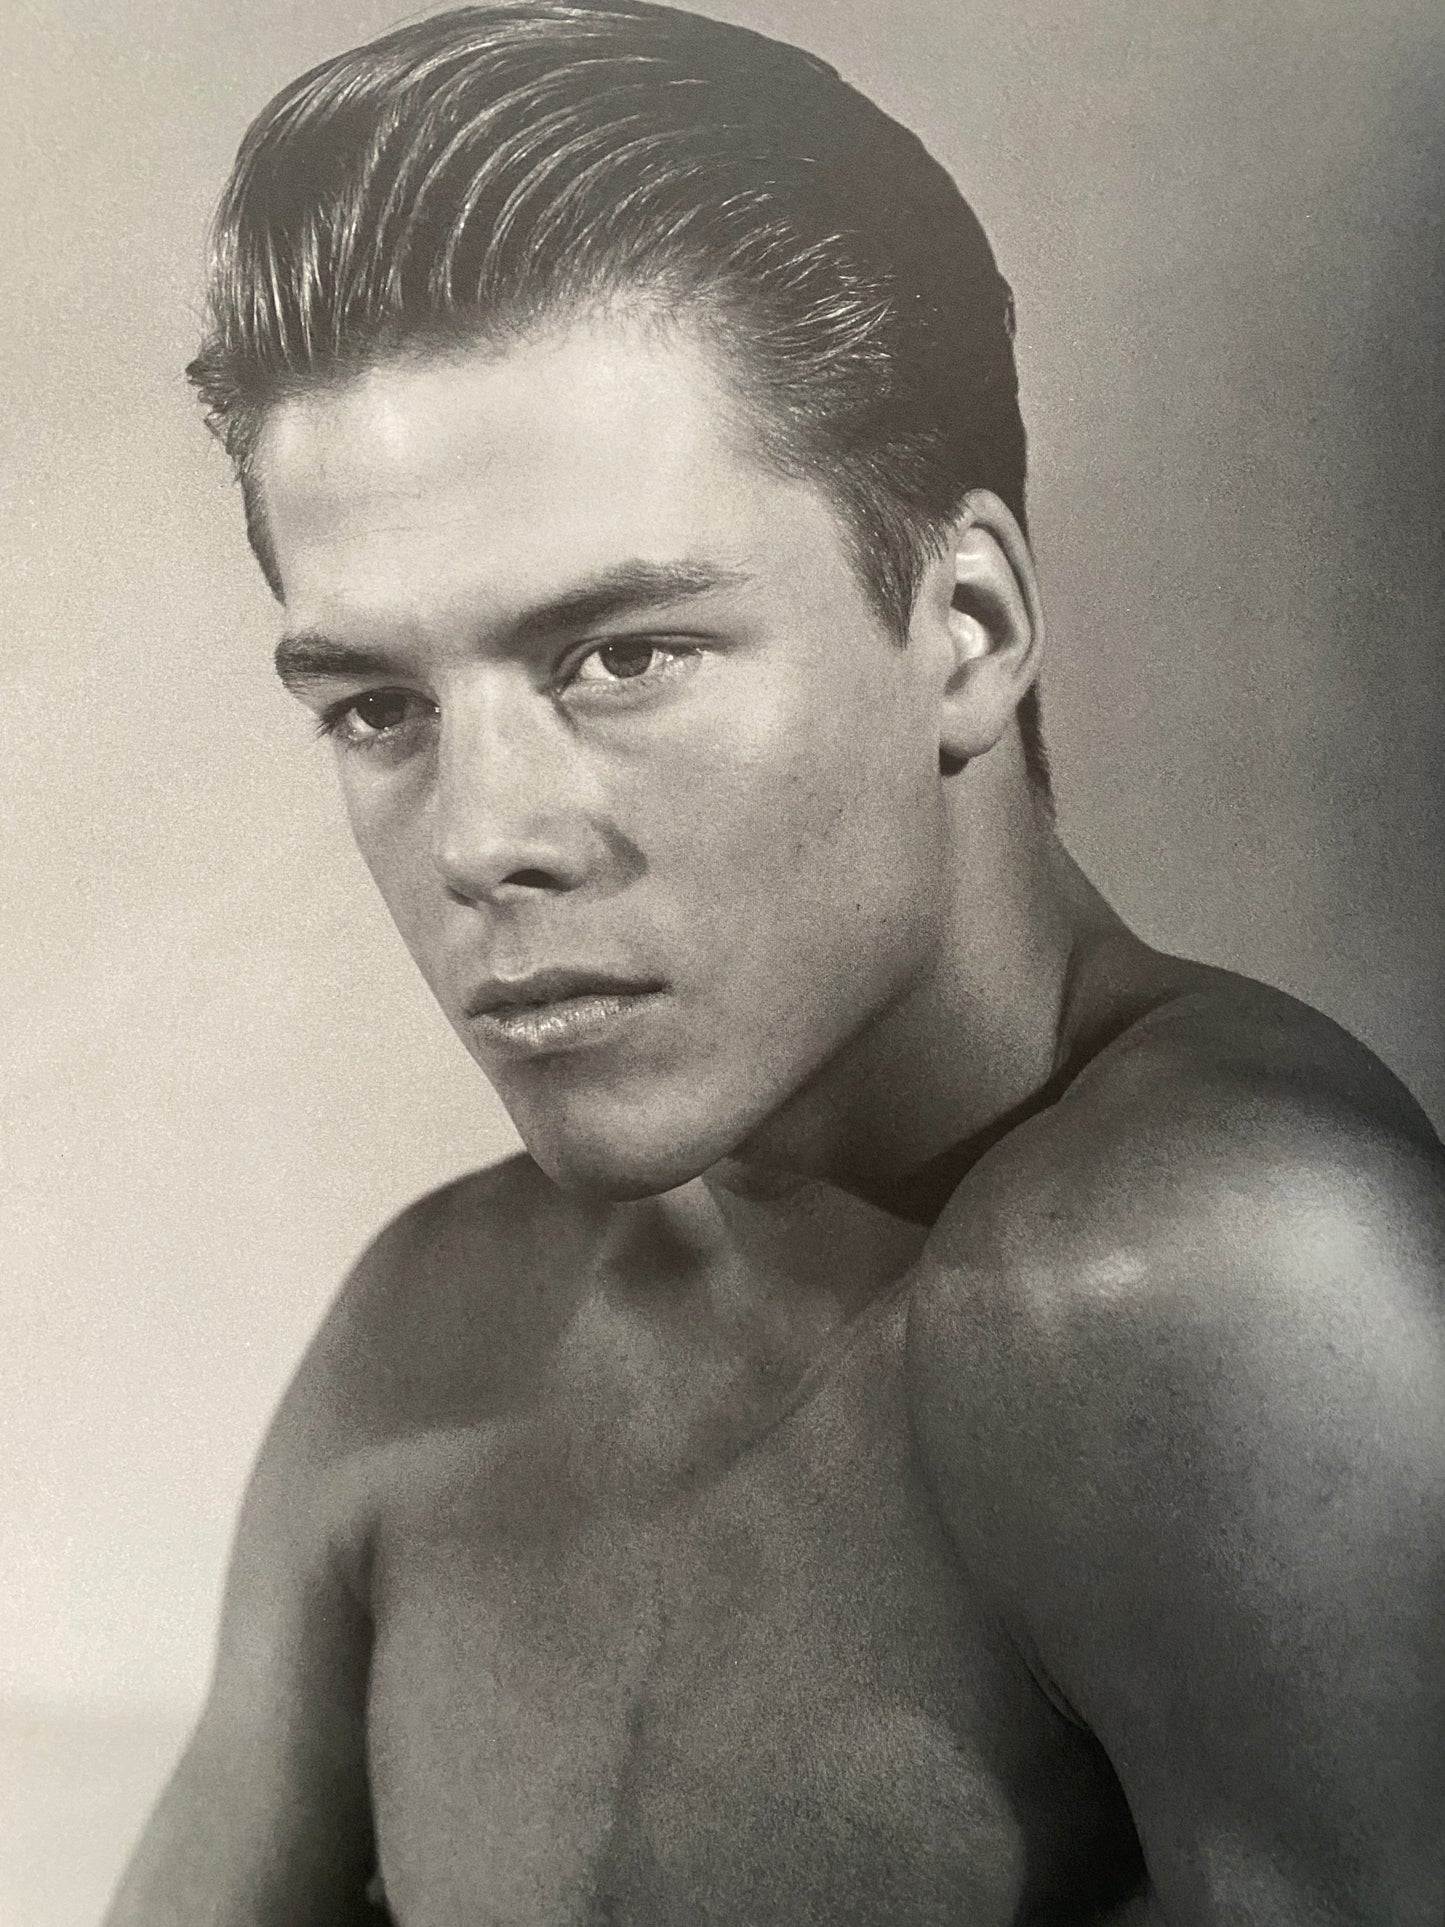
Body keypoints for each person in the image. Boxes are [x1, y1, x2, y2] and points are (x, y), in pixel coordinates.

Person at [106, 3, 1445, 1922]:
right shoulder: (432, 1329)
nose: (484, 837)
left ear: (965, 623)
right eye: (378, 705)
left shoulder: (1219, 1275)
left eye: (619, 656)